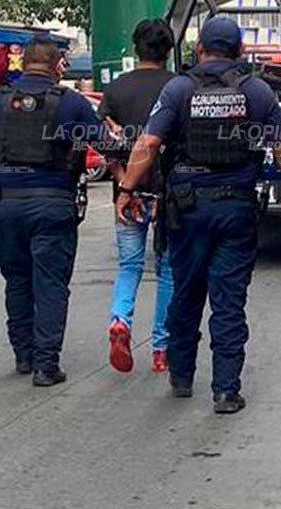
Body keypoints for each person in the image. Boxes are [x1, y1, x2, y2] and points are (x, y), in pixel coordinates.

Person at [115, 16, 281, 414]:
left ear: (199, 49)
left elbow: (149, 142)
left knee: (185, 292)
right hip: (235, 207)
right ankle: (225, 390)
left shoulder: (179, 88)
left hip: (187, 208)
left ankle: (182, 376)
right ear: (240, 51)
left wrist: (127, 188)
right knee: (229, 299)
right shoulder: (257, 91)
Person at [0, 38, 106, 387]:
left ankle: (24, 356)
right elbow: (105, 144)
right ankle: (46, 365)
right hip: (54, 206)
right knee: (51, 284)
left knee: (17, 280)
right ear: (57, 66)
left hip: (7, 206)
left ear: (23, 63)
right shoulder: (72, 102)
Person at [98, 19, 178, 374]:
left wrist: (122, 180)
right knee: (168, 270)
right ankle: (161, 348)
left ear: (136, 48)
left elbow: (103, 140)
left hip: (128, 194)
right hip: (170, 194)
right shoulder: (178, 87)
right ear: (169, 51)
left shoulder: (116, 88)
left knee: (129, 266)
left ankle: (120, 319)